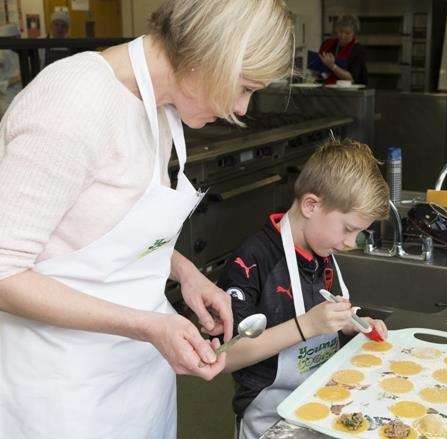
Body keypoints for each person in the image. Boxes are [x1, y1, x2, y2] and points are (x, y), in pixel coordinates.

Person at [0, 1, 293, 438]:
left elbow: (101, 227)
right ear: (206, 55)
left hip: (137, 379)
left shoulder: (156, 104)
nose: (242, 107)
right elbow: (4, 270)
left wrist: (186, 273)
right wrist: (147, 324)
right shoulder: (74, 102)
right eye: (244, 86)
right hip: (65, 393)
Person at [218, 138, 389, 439]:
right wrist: (307, 325)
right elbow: (226, 356)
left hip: (324, 408)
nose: (351, 243)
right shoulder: (254, 258)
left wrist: (352, 323)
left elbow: (327, 308)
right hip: (270, 419)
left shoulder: (323, 251)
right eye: (349, 229)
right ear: (311, 205)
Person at [317, 15, 368, 85]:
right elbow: (320, 71)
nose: (343, 36)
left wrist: (332, 66)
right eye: (340, 32)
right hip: (328, 89)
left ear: (354, 34)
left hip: (351, 93)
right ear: (336, 30)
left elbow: (351, 78)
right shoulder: (328, 45)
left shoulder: (358, 50)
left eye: (347, 33)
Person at [0, 24, 22, 117]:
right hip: (7, 101)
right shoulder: (2, 54)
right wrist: (15, 79)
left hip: (21, 98)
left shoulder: (20, 53)